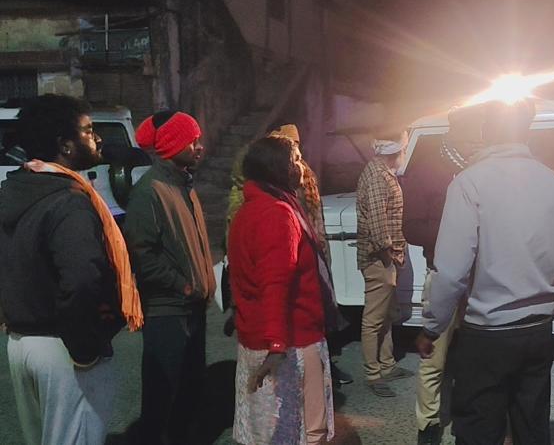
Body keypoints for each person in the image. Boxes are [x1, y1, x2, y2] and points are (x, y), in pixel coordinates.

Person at [417, 99, 554, 444]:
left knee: (479, 429)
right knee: (532, 425)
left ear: (487, 130)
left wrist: (432, 326)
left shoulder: (469, 183)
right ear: (526, 131)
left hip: (487, 332)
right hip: (538, 330)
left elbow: (451, 271)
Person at [0, 94, 143, 445]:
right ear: (65, 145)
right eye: (88, 131)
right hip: (62, 348)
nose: (98, 139)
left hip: (20, 342)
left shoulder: (14, 190)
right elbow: (81, 279)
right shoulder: (68, 201)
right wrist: (84, 347)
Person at [228, 135, 336, 444]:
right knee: (304, 428)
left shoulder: (250, 209)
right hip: (292, 342)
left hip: (260, 339)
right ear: (278, 168)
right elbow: (275, 283)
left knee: (266, 432)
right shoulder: (278, 213)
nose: (302, 166)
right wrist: (277, 345)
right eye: (296, 160)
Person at [124, 110, 216, 445]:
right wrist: (185, 285)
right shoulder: (150, 191)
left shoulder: (182, 186)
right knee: (162, 399)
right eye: (192, 141)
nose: (199, 147)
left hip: (191, 308)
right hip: (167, 311)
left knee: (189, 395)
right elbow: (142, 255)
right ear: (172, 145)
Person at [403, 133, 464, 444]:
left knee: (475, 356)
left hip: (481, 279)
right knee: (433, 357)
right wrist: (456, 231)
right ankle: (428, 423)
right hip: (441, 274)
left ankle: (468, 415)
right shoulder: (426, 170)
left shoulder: (483, 167)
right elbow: (411, 227)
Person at [357, 132, 415, 397]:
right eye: (404, 149)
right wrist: (389, 257)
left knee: (386, 314)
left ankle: (387, 364)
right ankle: (373, 373)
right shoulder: (379, 177)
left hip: (383, 257)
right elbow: (378, 224)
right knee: (373, 319)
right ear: (396, 151)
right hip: (379, 258)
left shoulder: (380, 172)